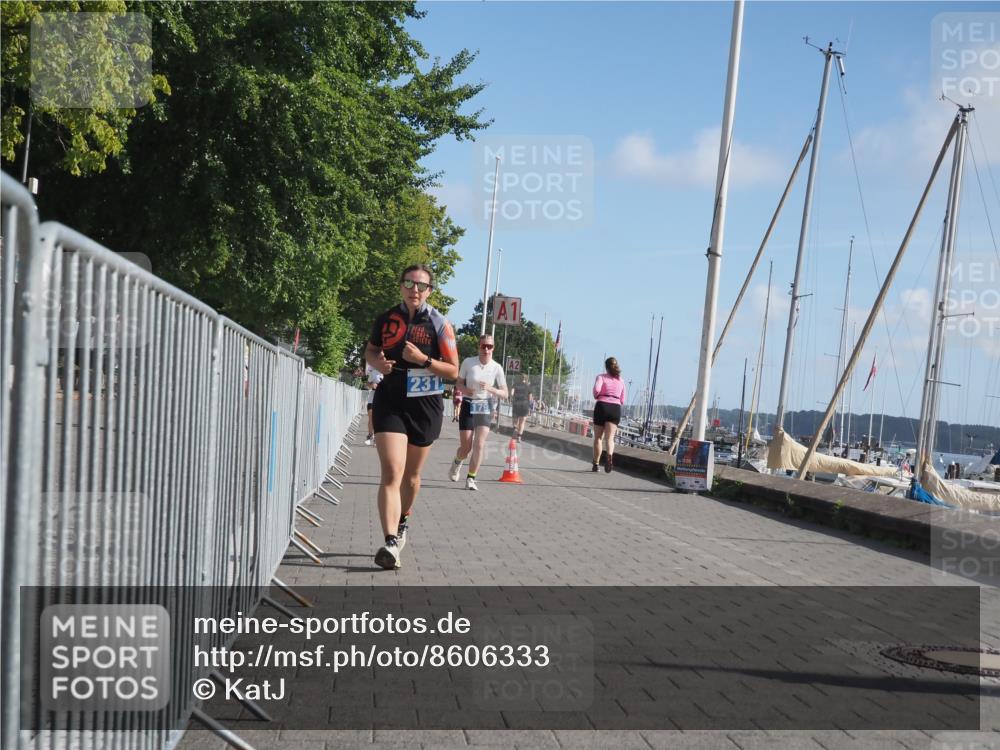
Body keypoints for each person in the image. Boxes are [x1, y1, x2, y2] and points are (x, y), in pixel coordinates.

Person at [366, 264, 459, 570]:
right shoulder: (386, 319)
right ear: (401, 286)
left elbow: (453, 371)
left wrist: (424, 360)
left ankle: (403, 520)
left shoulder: (440, 324)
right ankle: (391, 542)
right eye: (408, 283)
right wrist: (378, 364)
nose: (414, 289)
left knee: (412, 477)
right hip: (391, 397)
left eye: (421, 285)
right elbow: (371, 351)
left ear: (430, 291)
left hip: (425, 403)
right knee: (392, 471)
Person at [449, 334, 508, 490]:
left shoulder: (497, 367)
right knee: (466, 447)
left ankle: (471, 478)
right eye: (484, 346)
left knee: (479, 444)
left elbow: (505, 393)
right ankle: (457, 462)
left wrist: (491, 389)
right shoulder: (468, 362)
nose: (486, 349)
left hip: (485, 405)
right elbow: (458, 383)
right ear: (479, 347)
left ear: (493, 348)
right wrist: (465, 390)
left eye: (490, 346)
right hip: (468, 404)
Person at [592, 357, 626, 473]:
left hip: (602, 406)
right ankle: (609, 456)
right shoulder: (621, 381)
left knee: (598, 438)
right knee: (610, 438)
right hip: (615, 408)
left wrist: (598, 395)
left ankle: (596, 464)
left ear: (606, 367)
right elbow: (623, 399)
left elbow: (596, 390)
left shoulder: (601, 377)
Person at [364, 363, 383, 445]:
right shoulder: (374, 372)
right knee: (371, 417)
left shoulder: (390, 372)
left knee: (379, 418)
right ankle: (370, 435)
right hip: (372, 398)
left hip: (384, 399)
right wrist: (372, 385)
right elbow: (367, 384)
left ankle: (377, 437)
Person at [510, 374, 532, 442]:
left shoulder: (515, 384)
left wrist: (512, 399)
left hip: (517, 404)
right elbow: (530, 399)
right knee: (522, 422)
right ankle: (519, 437)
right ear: (526, 379)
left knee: (515, 419)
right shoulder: (528, 387)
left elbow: (511, 393)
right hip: (525, 405)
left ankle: (515, 429)